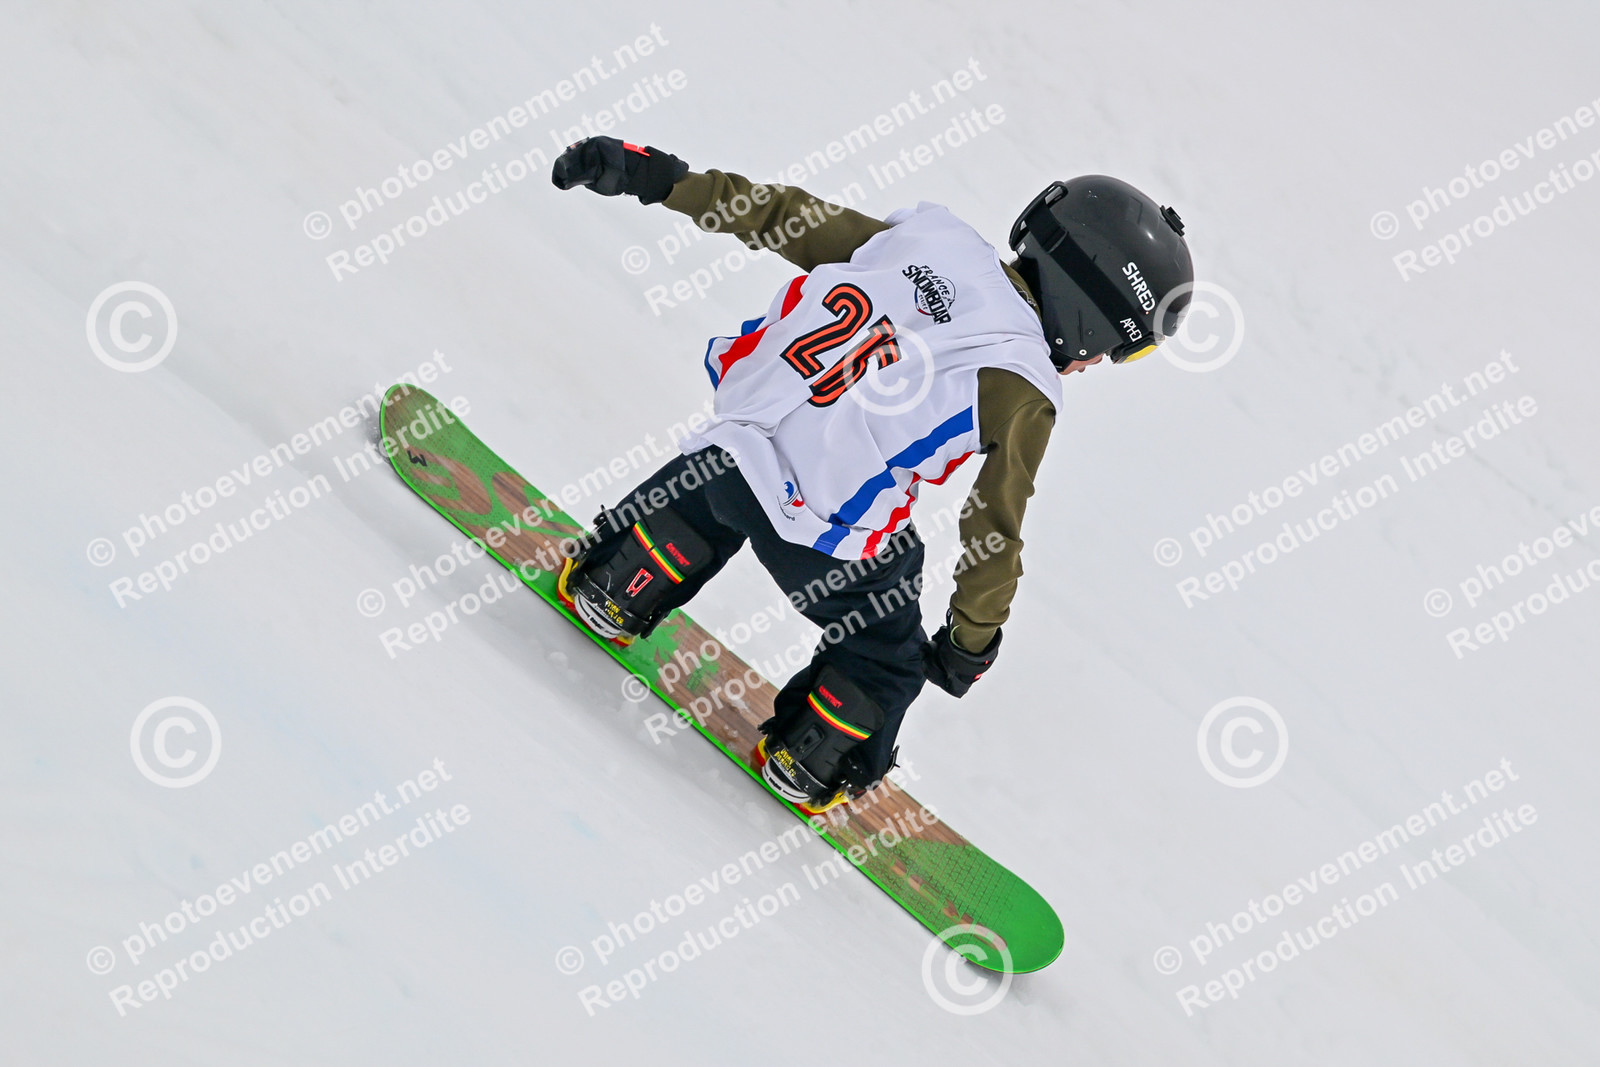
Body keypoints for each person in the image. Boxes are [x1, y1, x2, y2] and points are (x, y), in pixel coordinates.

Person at [549, 137, 1193, 813]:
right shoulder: (1024, 383)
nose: (1095, 365)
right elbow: (992, 531)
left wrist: (659, 178)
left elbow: (781, 215)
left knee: (729, 479)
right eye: (1116, 349)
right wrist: (969, 643)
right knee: (886, 644)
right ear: (1093, 320)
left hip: (730, 450)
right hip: (818, 534)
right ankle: (812, 755)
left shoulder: (929, 240)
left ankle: (619, 575)